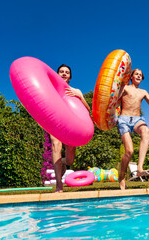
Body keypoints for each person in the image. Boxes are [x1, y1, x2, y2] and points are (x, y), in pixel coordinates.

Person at [51, 64, 91, 193]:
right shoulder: (51, 89)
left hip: (71, 125)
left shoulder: (76, 90)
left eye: (66, 72)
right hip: (55, 122)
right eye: (61, 72)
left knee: (70, 160)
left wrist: (78, 96)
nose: (64, 74)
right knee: (56, 144)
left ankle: (61, 162)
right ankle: (59, 185)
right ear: (57, 74)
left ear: (70, 76)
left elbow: (88, 109)